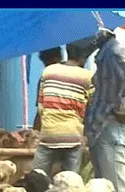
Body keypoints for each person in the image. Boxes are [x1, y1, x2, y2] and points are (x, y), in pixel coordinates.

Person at [83, 28, 125, 192]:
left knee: (116, 190)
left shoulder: (114, 51)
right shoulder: (105, 54)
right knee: (103, 191)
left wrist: (122, 107)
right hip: (101, 127)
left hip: (109, 126)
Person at [32, 45, 94, 177]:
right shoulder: (87, 76)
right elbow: (91, 106)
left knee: (37, 176)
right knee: (71, 181)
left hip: (49, 134)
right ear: (83, 58)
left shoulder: (48, 71)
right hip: (73, 135)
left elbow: (42, 107)